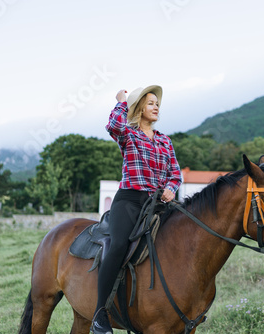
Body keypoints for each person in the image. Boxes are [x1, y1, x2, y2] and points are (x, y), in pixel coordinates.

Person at [91, 85, 182, 334]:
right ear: (140, 107)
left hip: (158, 203)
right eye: (151, 103)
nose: (156, 107)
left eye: (157, 104)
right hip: (129, 201)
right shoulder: (129, 134)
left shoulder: (165, 140)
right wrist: (122, 102)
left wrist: (171, 188)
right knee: (119, 245)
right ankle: (100, 314)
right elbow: (114, 126)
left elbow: (175, 173)